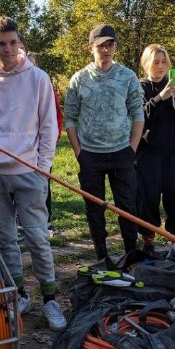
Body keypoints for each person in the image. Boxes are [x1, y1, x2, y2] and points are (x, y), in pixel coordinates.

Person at [0, 16, 66, 331]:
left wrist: (44, 167)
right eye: (1, 44)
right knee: (6, 238)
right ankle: (20, 294)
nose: (7, 49)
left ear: (20, 43)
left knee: (38, 236)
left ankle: (50, 298)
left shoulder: (38, 78)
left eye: (13, 42)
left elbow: (49, 127)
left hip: (29, 170)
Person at [64, 24, 144, 263]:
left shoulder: (127, 76)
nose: (106, 49)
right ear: (91, 48)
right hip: (90, 154)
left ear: (115, 47)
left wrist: (132, 148)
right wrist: (79, 152)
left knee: (127, 206)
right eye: (101, 45)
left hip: (122, 151)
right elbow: (70, 117)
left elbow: (138, 113)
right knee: (94, 209)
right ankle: (102, 256)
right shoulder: (79, 79)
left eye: (110, 44)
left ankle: (130, 254)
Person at [136, 44, 175, 254]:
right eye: (155, 62)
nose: (160, 67)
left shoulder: (174, 84)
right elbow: (140, 116)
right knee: (147, 197)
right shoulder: (139, 87)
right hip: (148, 152)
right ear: (146, 64)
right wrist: (161, 97)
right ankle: (148, 240)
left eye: (163, 62)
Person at [18, 35, 64, 236]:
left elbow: (54, 113)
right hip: (14, 150)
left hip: (40, 145)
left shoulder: (41, 79)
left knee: (41, 186)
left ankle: (44, 222)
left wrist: (52, 138)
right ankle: (19, 223)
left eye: (19, 46)